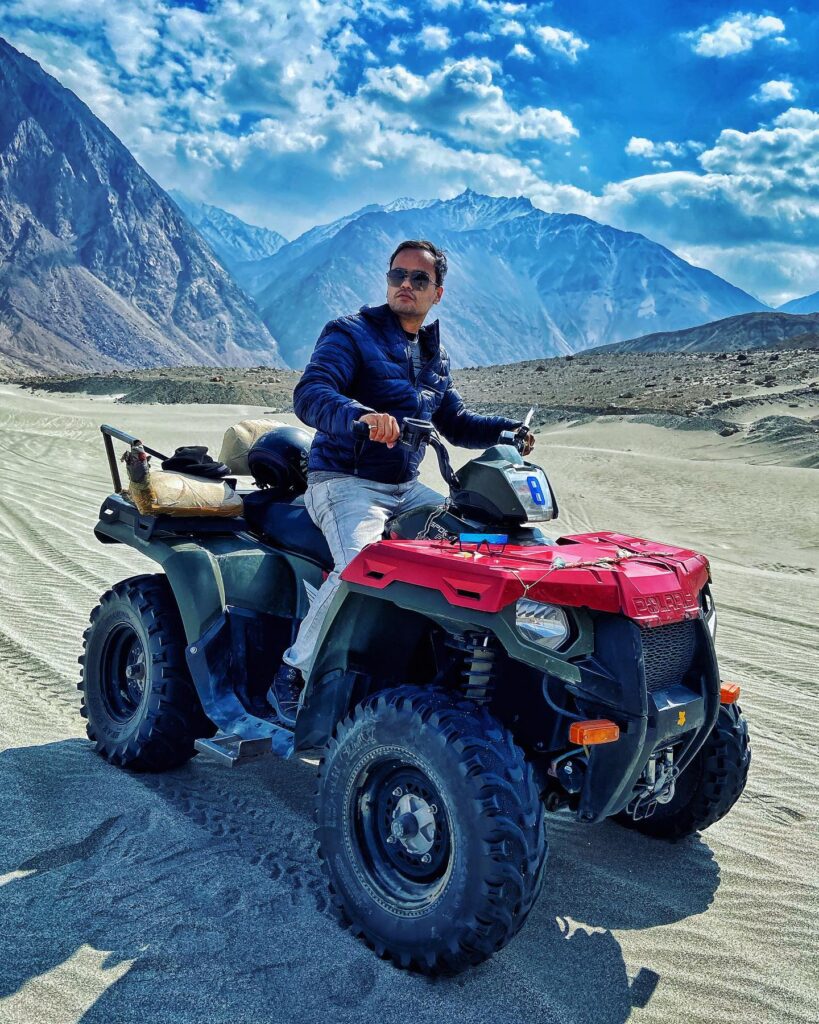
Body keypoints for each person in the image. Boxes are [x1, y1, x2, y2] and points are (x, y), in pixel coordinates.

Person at [268, 239, 535, 725]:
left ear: (438, 292)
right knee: (362, 565)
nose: (406, 286)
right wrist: (363, 416)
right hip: (344, 482)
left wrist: (506, 431)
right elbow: (311, 394)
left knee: (478, 543)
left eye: (419, 279)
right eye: (398, 276)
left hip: (405, 489)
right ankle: (293, 672)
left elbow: (455, 420)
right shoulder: (350, 334)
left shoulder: (433, 354)